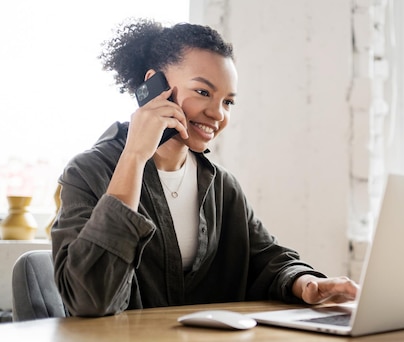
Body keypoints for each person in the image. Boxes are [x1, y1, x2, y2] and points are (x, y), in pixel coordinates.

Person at [51, 19, 359, 317]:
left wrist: (306, 284)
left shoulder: (222, 186)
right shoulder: (88, 172)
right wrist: (134, 155)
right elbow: (89, 299)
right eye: (203, 92)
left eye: (228, 102)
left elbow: (265, 258)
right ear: (153, 85)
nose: (217, 113)